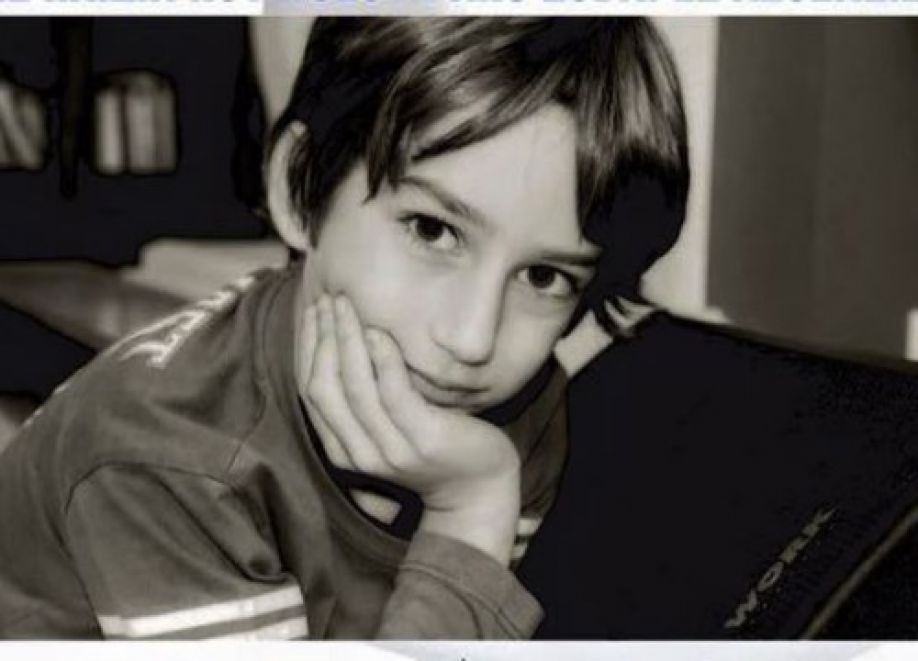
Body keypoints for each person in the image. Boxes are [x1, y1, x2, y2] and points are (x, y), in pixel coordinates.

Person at [0, 17, 688, 639]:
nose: (472, 338)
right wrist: (469, 514)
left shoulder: (519, 411)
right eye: (431, 230)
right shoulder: (162, 458)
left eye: (543, 276)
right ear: (302, 187)